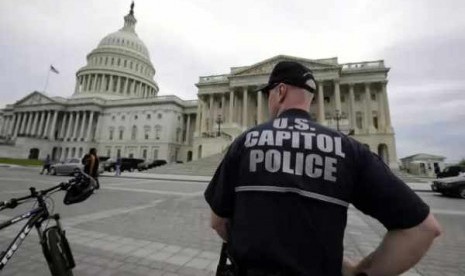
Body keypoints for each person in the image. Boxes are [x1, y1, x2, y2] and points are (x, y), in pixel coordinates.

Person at [204, 61, 442, 276]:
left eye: (268, 94)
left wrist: (245, 244)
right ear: (311, 97)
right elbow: (424, 228)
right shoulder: (349, 149)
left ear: (280, 91)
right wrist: (360, 271)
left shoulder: (246, 141)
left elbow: (218, 221)